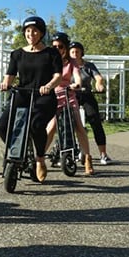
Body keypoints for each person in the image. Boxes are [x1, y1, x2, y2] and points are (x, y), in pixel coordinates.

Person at [0, 16, 62, 182]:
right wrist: (5, 83)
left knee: (36, 124)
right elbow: (10, 76)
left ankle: (40, 159)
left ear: (41, 33)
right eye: (27, 31)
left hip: (44, 96)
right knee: (4, 126)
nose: (30, 34)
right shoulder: (17, 54)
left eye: (34, 31)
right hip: (23, 94)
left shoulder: (51, 53)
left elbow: (58, 76)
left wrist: (49, 85)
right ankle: (23, 151)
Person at [45, 33, 94, 175]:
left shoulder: (72, 62)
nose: (57, 49)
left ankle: (87, 158)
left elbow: (77, 76)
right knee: (51, 127)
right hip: (53, 96)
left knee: (79, 126)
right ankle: (39, 159)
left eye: (60, 46)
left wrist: (77, 84)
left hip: (68, 94)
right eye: (54, 46)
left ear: (65, 47)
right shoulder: (49, 60)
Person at [69, 41, 112, 165]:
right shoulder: (67, 66)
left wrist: (99, 84)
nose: (75, 54)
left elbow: (98, 77)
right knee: (69, 123)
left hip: (87, 95)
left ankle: (103, 154)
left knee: (95, 122)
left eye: (77, 51)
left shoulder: (89, 66)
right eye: (72, 52)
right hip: (72, 96)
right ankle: (68, 152)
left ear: (82, 53)